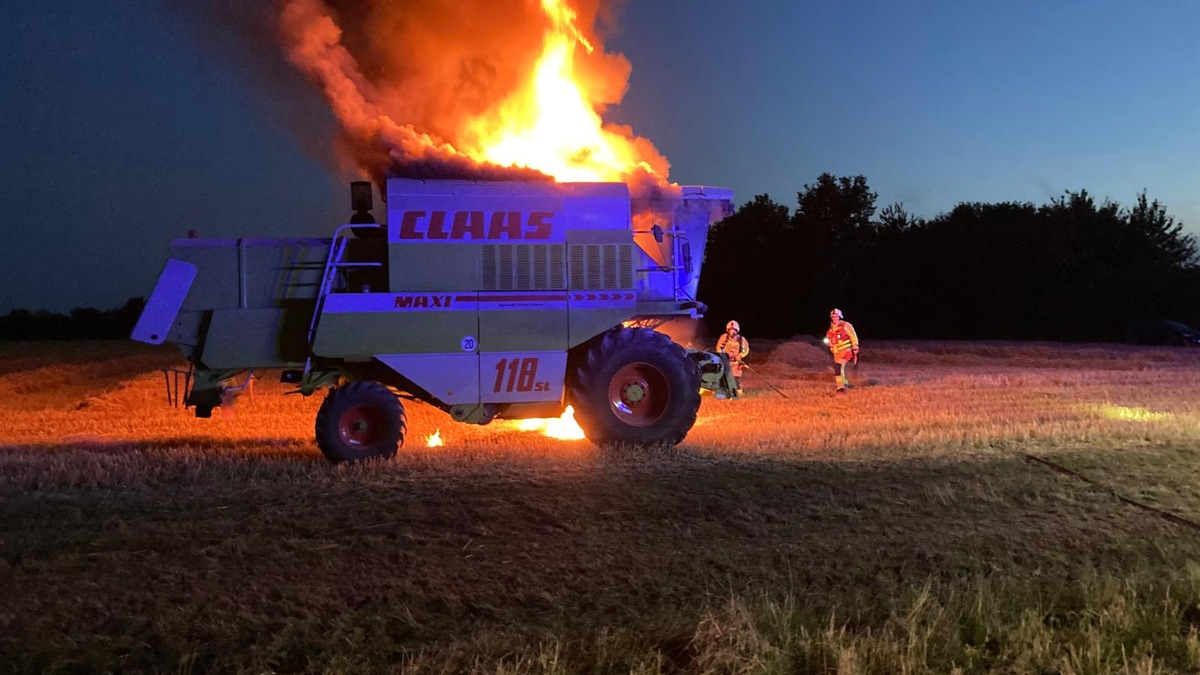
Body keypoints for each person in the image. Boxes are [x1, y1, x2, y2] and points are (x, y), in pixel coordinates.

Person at [824, 308, 859, 394]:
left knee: (837, 367)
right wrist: (829, 343)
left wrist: (855, 346)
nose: (834, 318)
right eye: (832, 316)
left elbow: (853, 335)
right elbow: (829, 340)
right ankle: (845, 383)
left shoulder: (845, 325)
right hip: (836, 352)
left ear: (839, 316)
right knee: (840, 368)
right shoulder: (831, 329)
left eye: (836, 316)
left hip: (846, 351)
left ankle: (840, 388)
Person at [715, 320, 750, 397]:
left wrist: (740, 355)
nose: (732, 332)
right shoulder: (724, 338)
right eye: (730, 330)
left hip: (736, 363)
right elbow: (719, 348)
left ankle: (738, 392)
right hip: (726, 361)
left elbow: (745, 349)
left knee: (736, 377)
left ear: (737, 330)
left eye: (734, 330)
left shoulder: (741, 340)